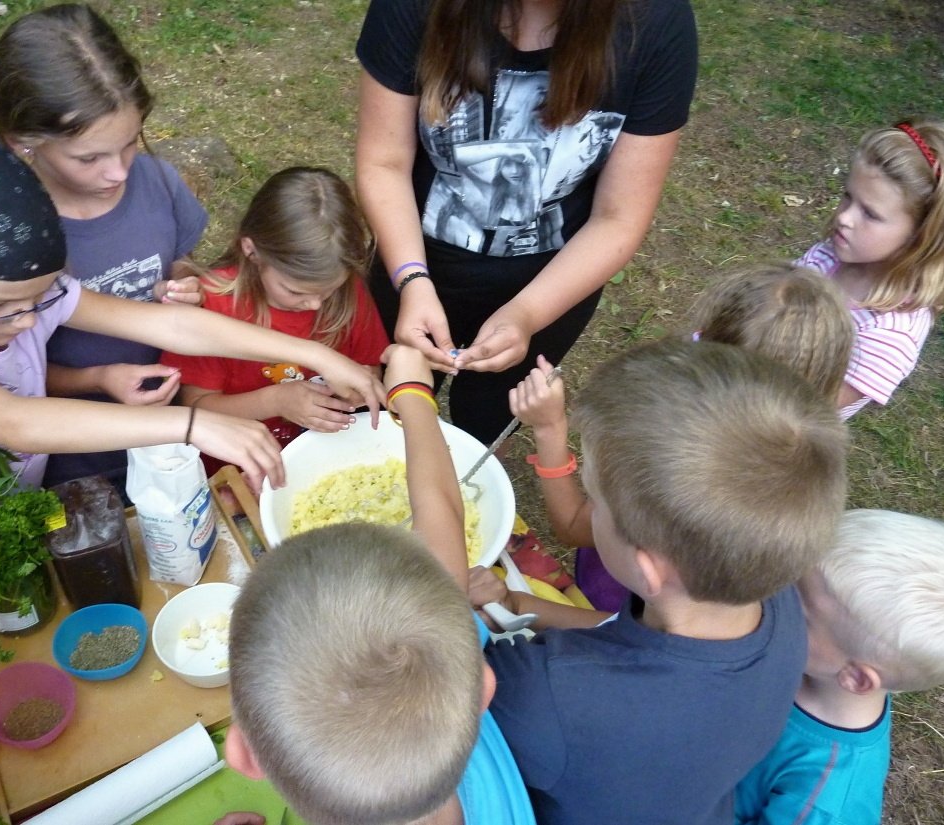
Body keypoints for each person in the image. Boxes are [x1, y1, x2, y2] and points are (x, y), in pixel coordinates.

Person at [0, 135, 383, 519]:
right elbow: (13, 422)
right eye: (2, 306)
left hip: (7, 507)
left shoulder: (22, 290)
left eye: (38, 300)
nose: (29, 320)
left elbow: (175, 325)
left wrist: (317, 355)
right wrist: (191, 424)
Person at [476, 339, 849, 824]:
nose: (590, 510)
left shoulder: (545, 691)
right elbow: (619, 637)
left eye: (594, 500)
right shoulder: (779, 605)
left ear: (648, 569)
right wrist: (515, 601)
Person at [355, 0, 699, 444]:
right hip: (412, 255)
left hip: (552, 282)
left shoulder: (656, 22)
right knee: (378, 420)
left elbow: (619, 217)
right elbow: (384, 162)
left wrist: (526, 314)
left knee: (485, 426)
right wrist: (412, 280)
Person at [220, 345, 535, 825]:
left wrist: (411, 394)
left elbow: (441, 515)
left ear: (246, 756)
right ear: (482, 691)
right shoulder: (440, 650)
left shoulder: (443, 650)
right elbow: (442, 509)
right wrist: (412, 394)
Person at [496, 262, 855, 613]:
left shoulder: (669, 453)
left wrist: (550, 429)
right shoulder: (805, 467)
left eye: (699, 344)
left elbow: (575, 525)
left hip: (628, 594)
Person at [0, 3, 211, 492]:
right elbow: (2, 377)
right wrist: (98, 377)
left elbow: (180, 257)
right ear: (23, 142)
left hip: (171, 440)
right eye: (89, 158)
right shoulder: (5, 236)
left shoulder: (156, 182)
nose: (119, 171)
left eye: (130, 142)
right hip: (73, 462)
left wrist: (184, 278)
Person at [735, 509, 944, 825]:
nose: (770, 599)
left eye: (800, 612)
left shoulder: (826, 799)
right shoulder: (808, 663)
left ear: (856, 677)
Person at [161, 167, 389, 474]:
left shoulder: (349, 293)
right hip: (237, 471)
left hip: (324, 462)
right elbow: (197, 408)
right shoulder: (212, 304)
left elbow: (369, 366)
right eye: (295, 291)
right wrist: (276, 401)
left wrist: (355, 391)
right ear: (252, 251)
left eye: (328, 290)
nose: (315, 304)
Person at [795, 118, 944, 419]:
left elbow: (803, 409)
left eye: (870, 214)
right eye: (848, 197)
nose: (844, 218)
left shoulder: (890, 335)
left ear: (922, 236)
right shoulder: (830, 256)